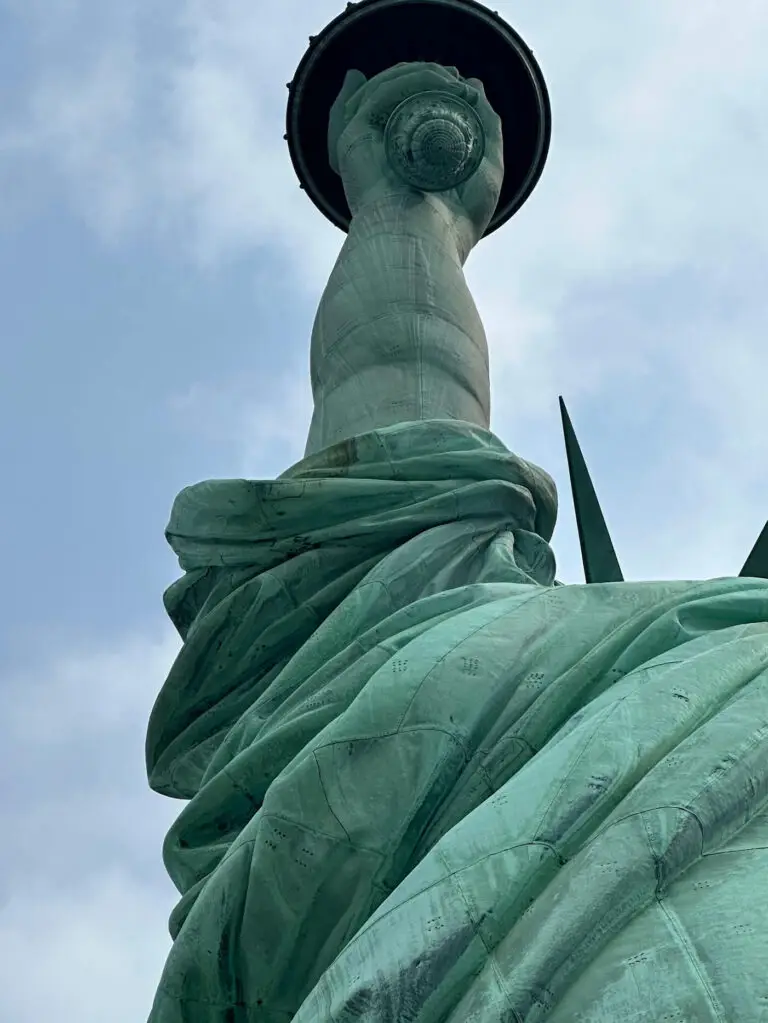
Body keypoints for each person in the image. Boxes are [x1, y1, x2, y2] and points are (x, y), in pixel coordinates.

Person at [145, 63, 768, 1022]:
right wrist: (409, 214)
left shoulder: (449, 675)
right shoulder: (479, 675)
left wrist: (405, 209)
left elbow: (396, 477)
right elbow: (403, 455)